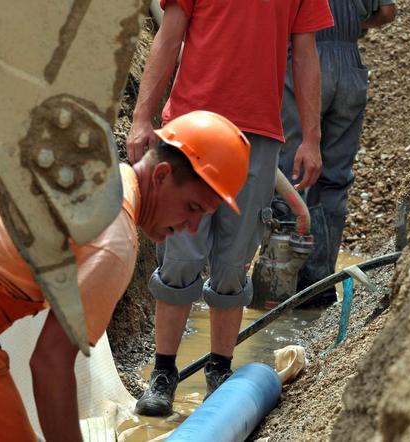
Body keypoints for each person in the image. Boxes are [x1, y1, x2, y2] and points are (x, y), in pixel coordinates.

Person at [0, 110, 251, 442]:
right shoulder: (114, 236)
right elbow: (50, 364)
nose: (192, 227)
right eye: (193, 207)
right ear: (160, 175)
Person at [127, 0, 334, 417]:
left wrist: (311, 138)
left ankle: (219, 371)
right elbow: (169, 35)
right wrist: (141, 117)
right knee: (181, 257)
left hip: (258, 134)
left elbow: (306, 53)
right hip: (191, 128)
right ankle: (163, 374)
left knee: (233, 262)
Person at [277, 0, 397, 304]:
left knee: (288, 173)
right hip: (349, 66)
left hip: (302, 59)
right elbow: (387, 12)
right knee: (334, 179)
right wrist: (353, 23)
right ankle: (318, 285)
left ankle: (280, 284)